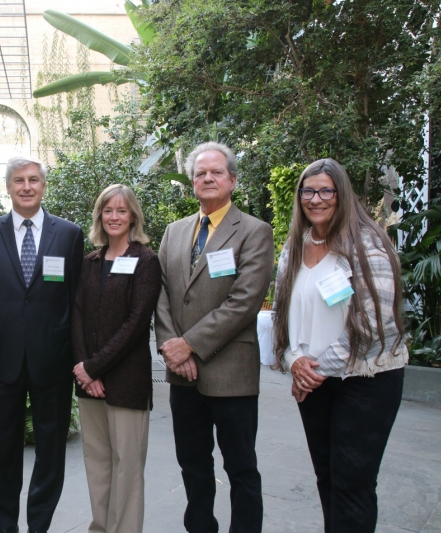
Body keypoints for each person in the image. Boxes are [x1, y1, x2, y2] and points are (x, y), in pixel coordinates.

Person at [272, 159, 408, 532]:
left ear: (341, 194)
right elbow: (283, 315)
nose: (316, 199)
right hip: (315, 382)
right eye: (308, 191)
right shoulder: (296, 247)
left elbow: (373, 324)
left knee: (353, 485)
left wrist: (311, 369)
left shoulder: (368, 244)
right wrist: (294, 359)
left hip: (365, 383)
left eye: (326, 190)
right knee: (327, 479)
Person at [155, 142, 274, 533]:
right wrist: (173, 348)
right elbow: (160, 295)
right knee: (192, 464)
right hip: (182, 375)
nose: (207, 178)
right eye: (200, 173)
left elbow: (245, 301)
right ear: (192, 182)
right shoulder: (174, 232)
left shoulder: (255, 232)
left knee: (240, 467)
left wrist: (188, 343)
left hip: (231, 374)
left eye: (216, 172)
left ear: (233, 180)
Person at [0, 155, 84, 533]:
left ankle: (39, 524)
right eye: (19, 180)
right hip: (1, 364)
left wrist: (78, 359)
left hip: (52, 361)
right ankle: (6, 523)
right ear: (8, 187)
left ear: (43, 185)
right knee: (1, 449)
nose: (27, 186)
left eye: (34, 179)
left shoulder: (68, 234)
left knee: (51, 451)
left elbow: (76, 302)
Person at [71, 185, 161, 533]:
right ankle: (100, 527)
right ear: (99, 216)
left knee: (127, 466)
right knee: (98, 463)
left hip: (126, 381)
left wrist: (93, 367)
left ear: (133, 216)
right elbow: (76, 315)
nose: (114, 217)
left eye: (121, 211)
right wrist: (83, 369)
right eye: (108, 210)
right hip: (88, 382)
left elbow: (136, 324)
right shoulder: (90, 262)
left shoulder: (146, 261)